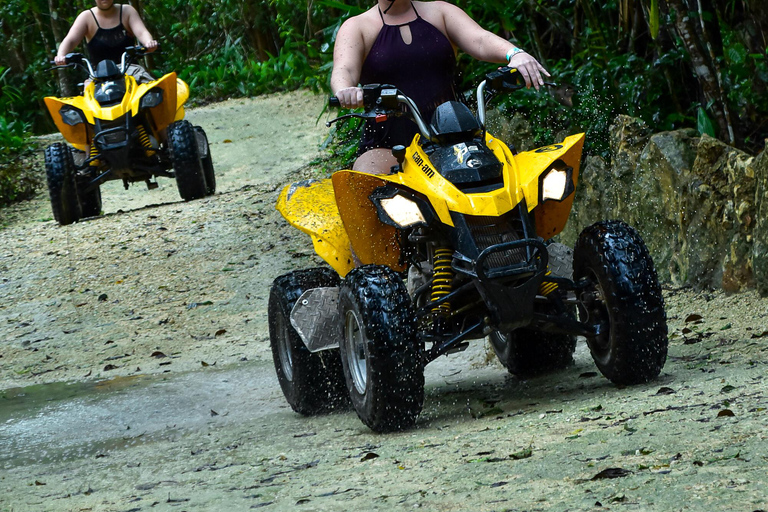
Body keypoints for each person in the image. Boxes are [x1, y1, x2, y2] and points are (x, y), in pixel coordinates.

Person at [331, 0, 550, 174]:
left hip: (454, 134)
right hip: (387, 142)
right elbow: (344, 70)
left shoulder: (441, 12)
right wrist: (345, 90)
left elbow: (480, 39)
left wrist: (514, 54)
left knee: (505, 181)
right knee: (370, 193)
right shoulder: (357, 26)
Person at [54, 0, 158, 83]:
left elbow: (141, 32)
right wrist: (61, 55)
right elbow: (71, 40)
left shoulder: (127, 11)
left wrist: (149, 43)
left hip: (130, 71)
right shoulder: (86, 17)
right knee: (84, 105)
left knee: (153, 92)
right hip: (97, 76)